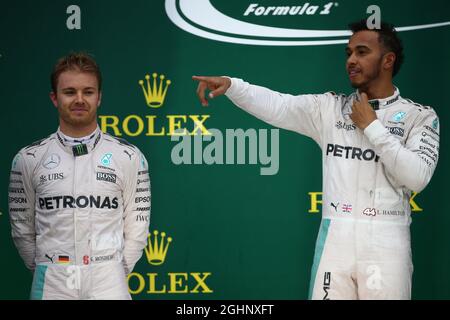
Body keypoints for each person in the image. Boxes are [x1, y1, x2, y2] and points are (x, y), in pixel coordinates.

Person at [192, 20, 439, 299]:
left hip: (387, 241)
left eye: (361, 52)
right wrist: (234, 86)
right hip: (336, 236)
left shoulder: (419, 116)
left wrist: (372, 127)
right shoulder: (330, 108)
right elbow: (280, 106)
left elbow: (417, 177)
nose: (352, 61)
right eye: (348, 54)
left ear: (387, 60)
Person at [8, 52, 151, 300]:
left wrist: (112, 270)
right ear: (54, 98)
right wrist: (48, 267)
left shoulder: (129, 157)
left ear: (99, 97)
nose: (79, 99)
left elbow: (138, 227)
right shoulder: (28, 159)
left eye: (88, 92)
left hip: (109, 280)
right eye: (69, 92)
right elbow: (21, 228)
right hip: (52, 281)